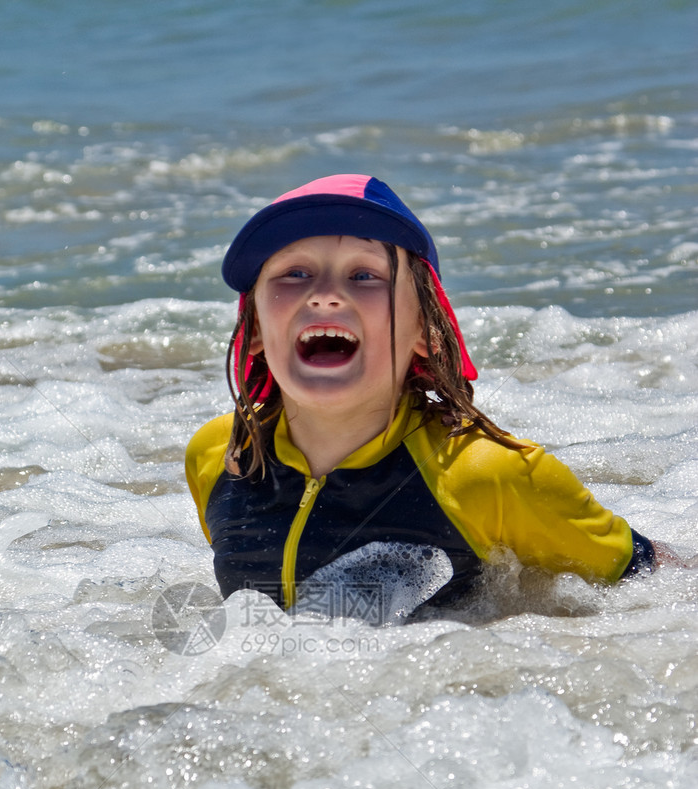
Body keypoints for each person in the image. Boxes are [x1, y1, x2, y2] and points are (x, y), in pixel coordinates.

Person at [185, 174, 656, 624]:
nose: (325, 296)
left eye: (365, 275)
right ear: (255, 331)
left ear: (427, 332)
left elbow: (651, 582)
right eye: (296, 272)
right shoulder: (221, 456)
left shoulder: (486, 474)